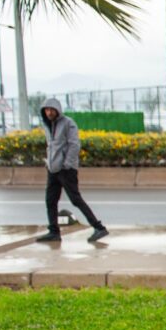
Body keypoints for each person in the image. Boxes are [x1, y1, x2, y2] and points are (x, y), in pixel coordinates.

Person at [35, 98, 108, 243]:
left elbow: (74, 145)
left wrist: (66, 164)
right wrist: (49, 163)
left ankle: (99, 228)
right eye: (46, 110)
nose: (49, 112)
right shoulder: (47, 125)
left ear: (57, 110)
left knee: (75, 199)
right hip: (53, 169)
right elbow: (51, 146)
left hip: (66, 170)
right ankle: (54, 232)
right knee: (50, 201)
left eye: (51, 109)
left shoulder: (68, 123)